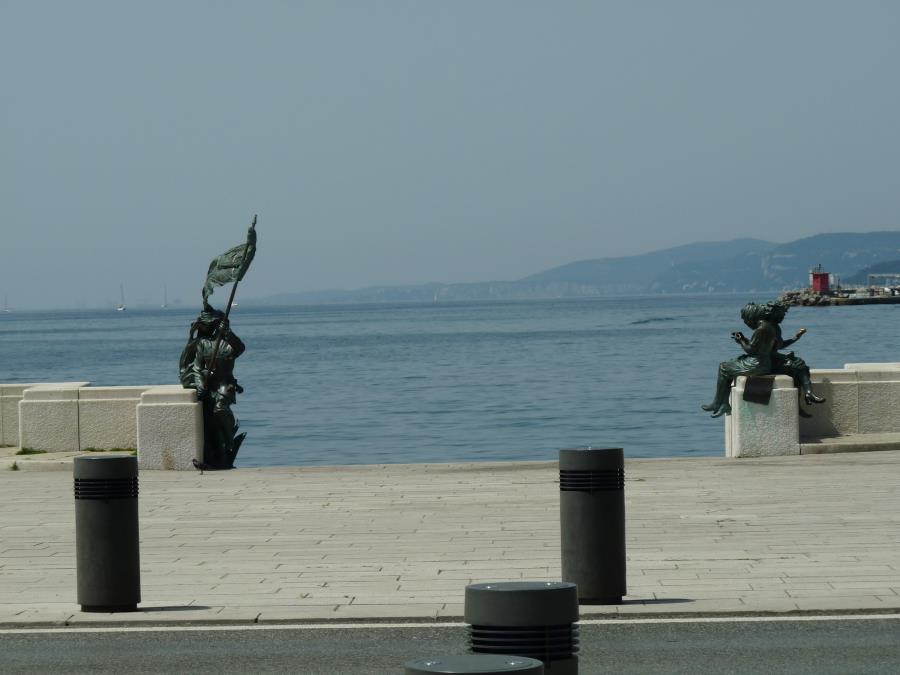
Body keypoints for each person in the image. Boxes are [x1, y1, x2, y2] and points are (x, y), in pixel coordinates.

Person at [179, 303, 246, 469]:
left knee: (220, 409)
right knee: (209, 419)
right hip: (209, 386)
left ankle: (229, 439)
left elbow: (240, 348)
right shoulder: (203, 344)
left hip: (225, 385)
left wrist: (228, 333)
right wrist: (200, 384)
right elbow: (196, 367)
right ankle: (215, 456)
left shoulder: (228, 343)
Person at [702, 302, 778, 418]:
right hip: (764, 362)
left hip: (757, 365)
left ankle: (718, 403)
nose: (747, 324)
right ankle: (724, 404)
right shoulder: (769, 327)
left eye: (746, 321)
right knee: (729, 366)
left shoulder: (761, 329)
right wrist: (744, 338)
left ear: (751, 317)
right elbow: (757, 347)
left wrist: (740, 341)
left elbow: (750, 350)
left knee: (723, 368)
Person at [764, 301, 825, 414]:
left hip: (775, 359)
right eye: (782, 314)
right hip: (768, 363)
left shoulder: (776, 327)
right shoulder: (766, 329)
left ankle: (803, 399)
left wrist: (796, 337)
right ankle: (808, 394)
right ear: (774, 313)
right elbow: (765, 352)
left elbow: (779, 345)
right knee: (799, 365)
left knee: (798, 368)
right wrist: (784, 357)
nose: (783, 317)